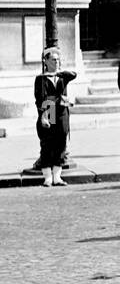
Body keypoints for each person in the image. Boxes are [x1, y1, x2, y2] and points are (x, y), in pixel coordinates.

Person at [34, 47, 76, 186]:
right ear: (45, 61)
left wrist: (59, 72)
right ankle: (47, 177)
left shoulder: (62, 76)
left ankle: (57, 176)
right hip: (49, 110)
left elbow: (73, 74)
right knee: (47, 143)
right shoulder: (41, 79)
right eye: (53, 60)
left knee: (61, 142)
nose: (57, 62)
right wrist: (43, 116)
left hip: (62, 111)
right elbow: (40, 100)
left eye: (58, 60)